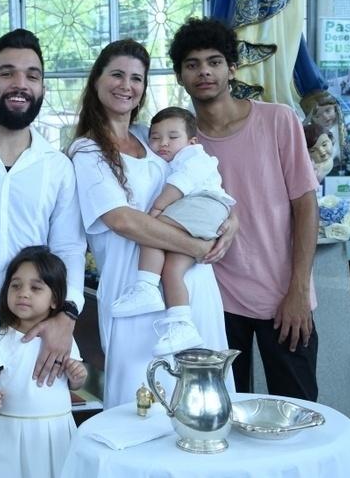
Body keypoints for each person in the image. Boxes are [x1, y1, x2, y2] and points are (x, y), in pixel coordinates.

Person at [0, 28, 86, 477]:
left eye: (32, 75)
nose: (20, 83)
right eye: (7, 73)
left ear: (42, 88)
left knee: (36, 445)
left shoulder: (56, 166)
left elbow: (68, 249)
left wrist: (66, 316)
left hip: (33, 334)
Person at [68, 39, 234, 409]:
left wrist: (230, 220)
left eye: (136, 78)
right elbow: (122, 220)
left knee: (202, 401)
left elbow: (201, 178)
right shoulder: (87, 150)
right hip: (135, 289)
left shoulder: (151, 137)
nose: (127, 85)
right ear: (97, 80)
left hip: (192, 284)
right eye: (117, 75)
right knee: (143, 401)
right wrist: (194, 245)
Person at [169, 17, 319, 400]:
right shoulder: (178, 143)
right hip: (214, 301)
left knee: (296, 408)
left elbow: (305, 204)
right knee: (219, 413)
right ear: (180, 76)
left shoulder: (278, 120)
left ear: (232, 68)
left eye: (214, 61)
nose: (204, 71)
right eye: (192, 64)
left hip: (282, 298)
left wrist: (299, 288)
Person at [112, 106, 236, 356]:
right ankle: (182, 321)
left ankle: (146, 285)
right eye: (155, 138)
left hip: (203, 205)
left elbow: (181, 184)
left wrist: (157, 208)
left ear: (192, 141)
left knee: (152, 230)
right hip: (203, 213)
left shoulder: (193, 157)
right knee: (172, 270)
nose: (163, 144)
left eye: (172, 136)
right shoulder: (171, 160)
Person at [0, 245, 87, 478]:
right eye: (16, 286)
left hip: (55, 434)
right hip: (11, 434)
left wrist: (78, 376)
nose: (23, 293)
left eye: (36, 288)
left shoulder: (62, 339)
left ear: (55, 300)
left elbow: (73, 384)